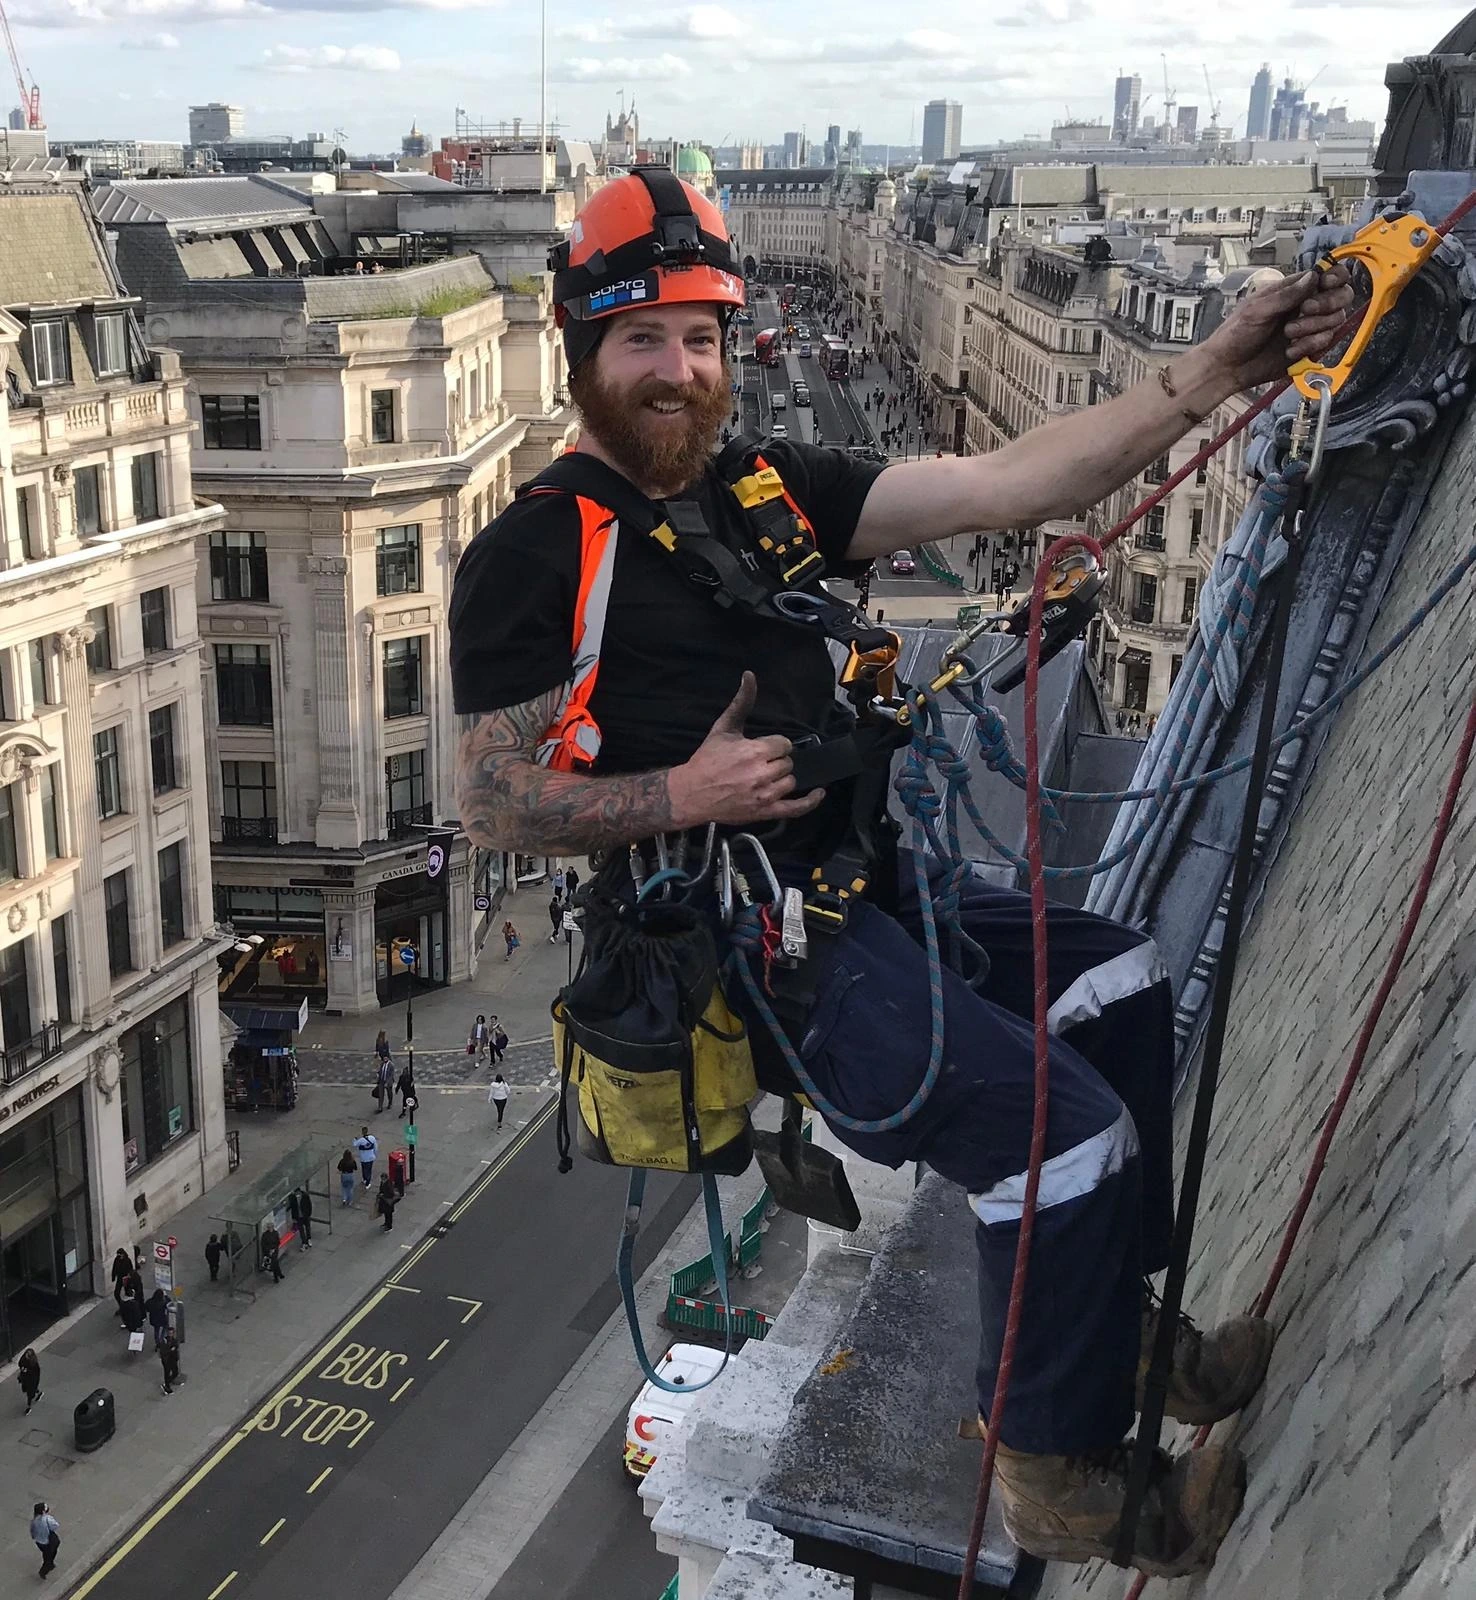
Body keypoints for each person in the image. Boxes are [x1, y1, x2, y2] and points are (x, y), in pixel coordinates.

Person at [448, 169, 1353, 1578]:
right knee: (1061, 1131)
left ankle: (1126, 1339)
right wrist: (682, 791)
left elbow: (1012, 478)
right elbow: (491, 800)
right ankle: (1053, 1470)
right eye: (644, 341)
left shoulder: (765, 490)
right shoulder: (539, 551)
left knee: (1119, 970)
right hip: (755, 948)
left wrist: (1224, 367)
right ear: (584, 357)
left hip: (859, 890)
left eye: (701, 337)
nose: (680, 369)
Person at [30, 1502, 60, 1578]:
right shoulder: (47, 1519)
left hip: (39, 1542)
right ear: (43, 1511)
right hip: (47, 1541)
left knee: (46, 1554)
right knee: (50, 1555)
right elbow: (55, 1526)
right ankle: (44, 1570)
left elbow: (32, 1531)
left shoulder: (34, 1520)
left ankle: (50, 1563)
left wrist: (34, 1536)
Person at [354, 1126, 378, 1192]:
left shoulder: (361, 1140)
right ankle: (368, 1183)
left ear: (362, 1132)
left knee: (364, 1169)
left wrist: (355, 1139)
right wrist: (375, 1154)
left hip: (363, 1158)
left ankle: (365, 1179)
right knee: (369, 1170)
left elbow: (354, 1144)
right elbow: (376, 1147)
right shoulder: (372, 1138)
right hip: (371, 1157)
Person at [17, 1347, 41, 1413]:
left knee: (29, 1393)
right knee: (28, 1389)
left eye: (28, 1355)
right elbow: (20, 1363)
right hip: (25, 1378)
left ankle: (28, 1406)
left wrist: (27, 1370)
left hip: (31, 1380)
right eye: (26, 1354)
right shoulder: (23, 1358)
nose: (27, 1356)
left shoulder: (34, 1363)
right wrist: (22, 1369)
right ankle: (39, 1393)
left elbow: (35, 1373)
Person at [374, 1032, 394, 1112]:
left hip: (388, 1081)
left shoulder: (391, 1065)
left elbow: (391, 1074)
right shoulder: (381, 1064)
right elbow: (378, 1071)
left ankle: (390, 1102)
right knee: (381, 1093)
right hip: (382, 1080)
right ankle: (380, 1107)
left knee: (389, 1092)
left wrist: (388, 1081)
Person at [159, 1329, 182, 1395]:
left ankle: (168, 1381)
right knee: (167, 1372)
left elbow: (176, 1347)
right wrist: (171, 1350)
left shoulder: (174, 1340)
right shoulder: (164, 1341)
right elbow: (163, 1352)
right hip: (166, 1360)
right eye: (169, 1333)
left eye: (172, 1333)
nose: (170, 1334)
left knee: (175, 1372)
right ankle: (167, 1386)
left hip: (173, 1359)